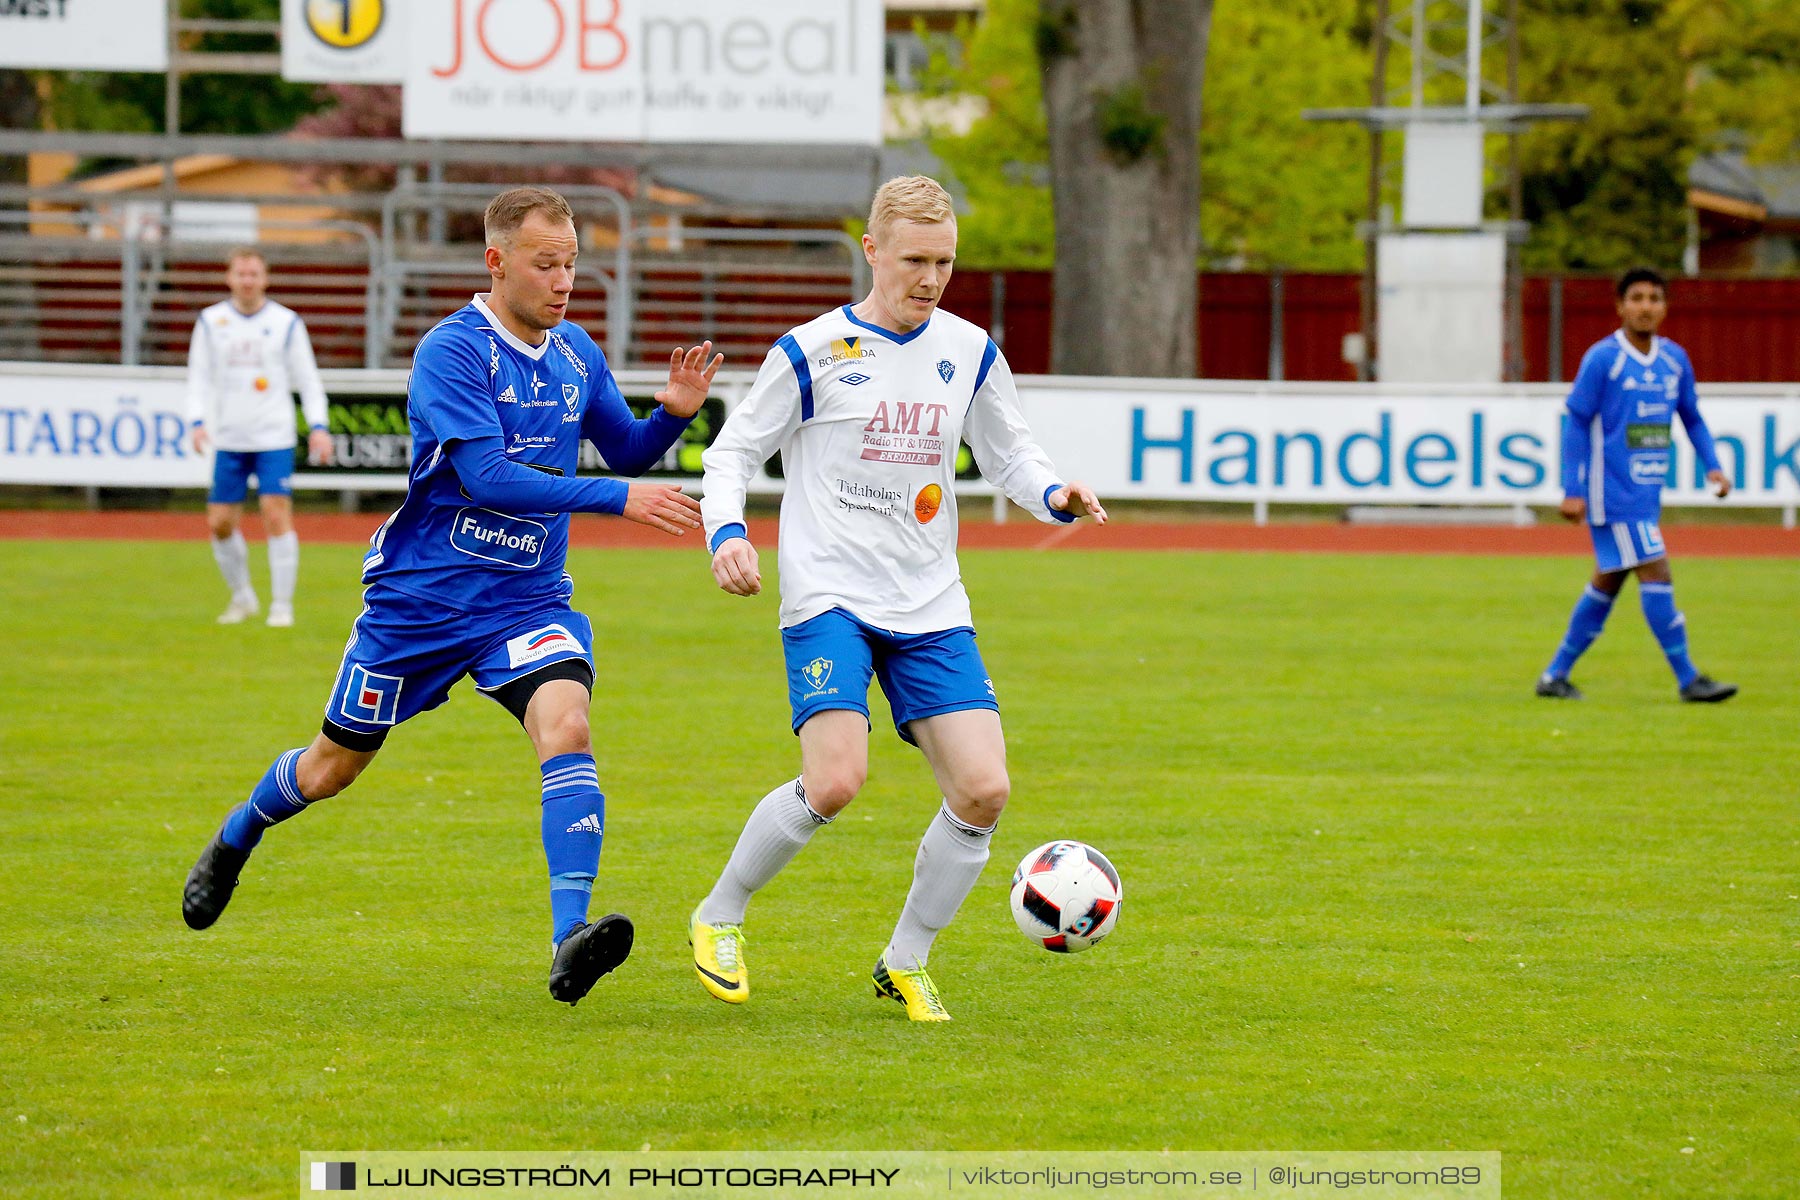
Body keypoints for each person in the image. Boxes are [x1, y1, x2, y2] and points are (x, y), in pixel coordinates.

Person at [183, 187, 721, 1007]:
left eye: (573, 263)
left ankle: (567, 938)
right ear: (497, 262)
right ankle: (236, 836)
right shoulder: (453, 352)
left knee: (568, 725)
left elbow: (629, 450)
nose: (564, 279)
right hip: (421, 602)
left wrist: (672, 418)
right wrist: (614, 499)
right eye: (547, 263)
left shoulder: (577, 353)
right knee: (332, 769)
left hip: (526, 599)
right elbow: (484, 476)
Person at [688, 175, 1107, 1023]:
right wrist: (726, 532)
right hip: (829, 594)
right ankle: (719, 913)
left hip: (929, 602)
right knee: (838, 779)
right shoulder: (810, 352)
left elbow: (1010, 455)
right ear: (872, 251)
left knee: (985, 791)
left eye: (945, 262)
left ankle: (905, 960)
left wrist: (1054, 493)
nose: (930, 278)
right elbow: (731, 455)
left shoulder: (971, 351)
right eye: (914, 259)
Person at [1536, 266, 1736, 703]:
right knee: (1656, 569)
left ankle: (1554, 676)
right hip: (1611, 494)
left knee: (1607, 584)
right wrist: (1572, 488)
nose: (1646, 307)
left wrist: (1714, 466)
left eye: (1655, 298)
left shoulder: (1673, 360)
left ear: (1664, 307)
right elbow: (1577, 421)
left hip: (1645, 494)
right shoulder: (1603, 359)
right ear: (1620, 306)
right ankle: (1688, 679)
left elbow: (1692, 417)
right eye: (1637, 298)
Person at [187, 248, 337, 627]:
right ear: (230, 277)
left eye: (254, 274)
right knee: (220, 522)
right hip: (229, 437)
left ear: (265, 278)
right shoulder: (211, 322)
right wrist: (196, 420)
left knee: (275, 514)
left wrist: (318, 426)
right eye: (241, 273)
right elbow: (198, 377)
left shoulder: (286, 323)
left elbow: (307, 380)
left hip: (274, 435)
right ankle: (242, 597)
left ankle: (281, 606)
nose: (248, 280)